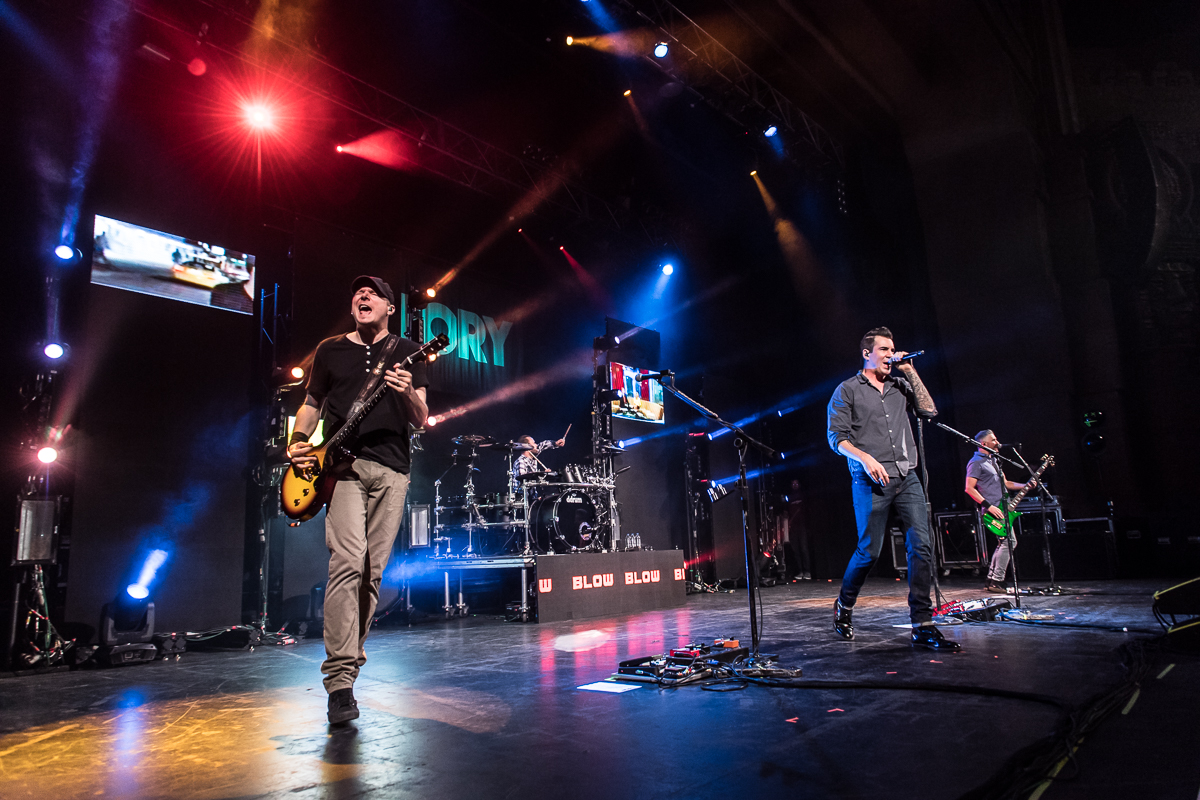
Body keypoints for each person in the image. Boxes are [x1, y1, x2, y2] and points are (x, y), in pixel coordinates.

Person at [287, 276, 429, 724]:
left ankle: (350, 655)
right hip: (342, 469)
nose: (362, 296)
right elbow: (312, 402)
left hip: (393, 469)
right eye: (357, 293)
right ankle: (340, 682)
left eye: (373, 294)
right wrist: (299, 437)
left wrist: (407, 391)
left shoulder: (409, 352)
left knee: (372, 572)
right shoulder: (331, 350)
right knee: (346, 561)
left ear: (390, 307)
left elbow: (422, 419)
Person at [826, 327, 960, 652]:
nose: (890, 354)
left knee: (922, 547)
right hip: (870, 480)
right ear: (866, 353)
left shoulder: (900, 385)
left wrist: (909, 370)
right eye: (884, 349)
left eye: (893, 349)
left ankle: (923, 625)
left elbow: (928, 411)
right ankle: (844, 605)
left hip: (907, 476)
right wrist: (864, 457)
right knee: (869, 552)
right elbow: (836, 438)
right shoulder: (847, 391)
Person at [964, 430, 1035, 593]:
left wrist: (1025, 486)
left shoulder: (994, 460)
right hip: (992, 511)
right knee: (1009, 542)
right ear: (984, 444)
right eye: (994, 440)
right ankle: (996, 580)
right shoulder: (976, 462)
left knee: (1004, 542)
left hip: (1004, 509)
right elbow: (969, 488)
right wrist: (989, 506)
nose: (997, 442)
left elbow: (1006, 483)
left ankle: (991, 579)